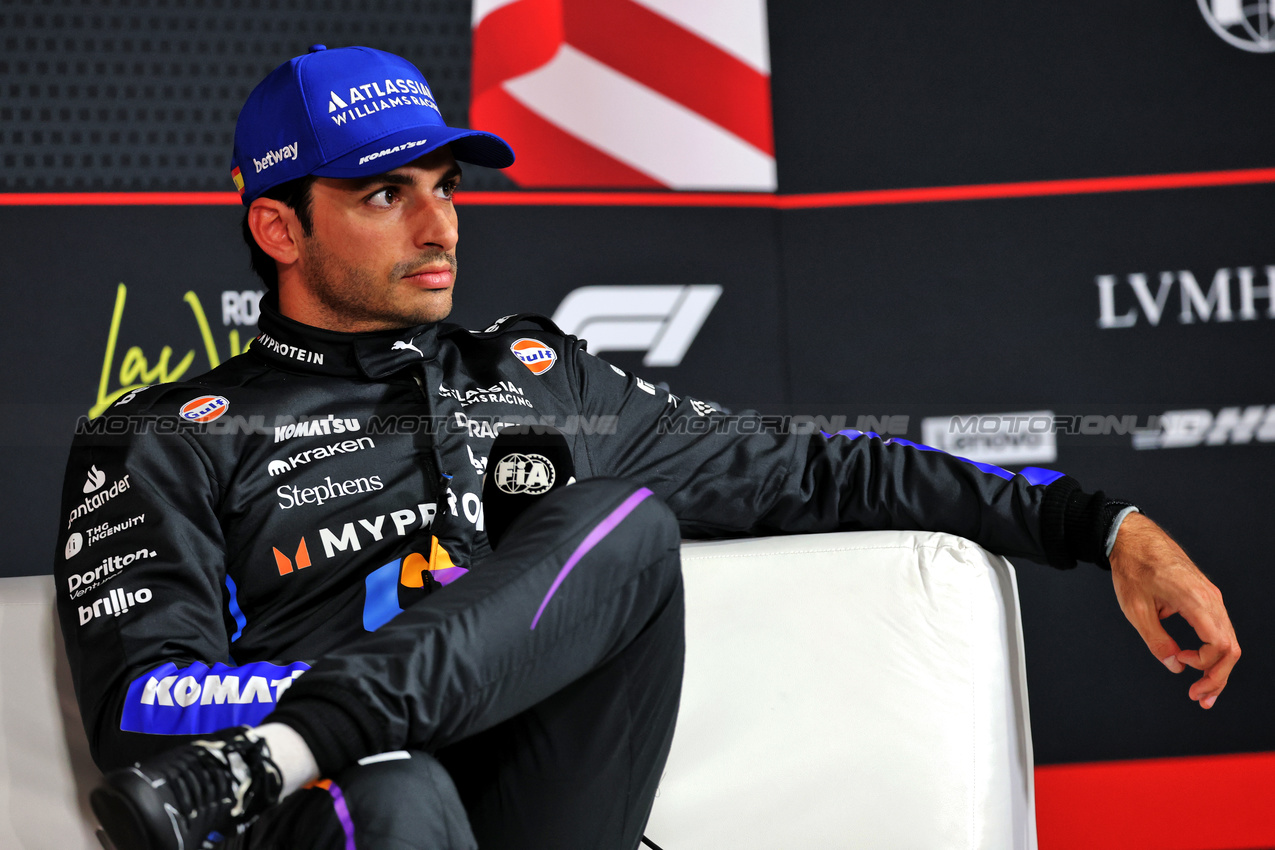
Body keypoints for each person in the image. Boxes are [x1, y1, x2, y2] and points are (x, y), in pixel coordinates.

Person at [57, 45, 1239, 850]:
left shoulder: (535, 378)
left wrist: (1099, 526)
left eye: (447, 187)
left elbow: (811, 469)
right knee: (403, 790)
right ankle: (319, 747)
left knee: (623, 520)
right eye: (382, 196)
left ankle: (306, 742)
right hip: (346, 814)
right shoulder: (156, 438)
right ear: (278, 223)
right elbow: (145, 704)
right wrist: (379, 718)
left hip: (537, 803)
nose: (437, 226)